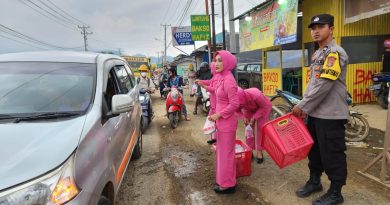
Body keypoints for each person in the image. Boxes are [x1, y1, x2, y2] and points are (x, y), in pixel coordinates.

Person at [292, 14, 349, 205]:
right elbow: (312, 84)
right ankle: (315, 181)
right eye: (313, 27)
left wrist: (303, 105)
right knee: (315, 150)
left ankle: (335, 192)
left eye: (321, 26)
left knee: (332, 152)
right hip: (315, 113)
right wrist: (304, 105)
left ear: (331, 29)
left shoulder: (335, 53)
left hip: (331, 115)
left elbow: (324, 84)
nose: (315, 31)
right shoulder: (318, 54)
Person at [197, 50, 239, 194]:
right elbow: (214, 89)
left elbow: (235, 104)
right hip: (221, 121)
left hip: (227, 122)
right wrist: (203, 84)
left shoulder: (229, 81)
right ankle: (223, 180)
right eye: (216, 60)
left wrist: (219, 114)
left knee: (226, 154)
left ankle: (228, 184)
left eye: (221, 60)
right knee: (221, 153)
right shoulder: (222, 77)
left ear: (227, 62)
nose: (217, 63)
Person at [236, 87, 272, 164]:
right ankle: (250, 150)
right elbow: (236, 110)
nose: (240, 104)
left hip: (263, 108)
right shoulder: (236, 100)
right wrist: (243, 117)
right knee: (248, 129)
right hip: (248, 109)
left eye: (242, 103)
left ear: (244, 97)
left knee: (261, 128)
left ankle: (259, 151)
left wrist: (254, 117)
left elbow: (264, 106)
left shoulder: (256, 94)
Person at [196, 62, 219, 144]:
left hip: (217, 104)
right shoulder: (215, 77)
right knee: (211, 121)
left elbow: (215, 89)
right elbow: (209, 81)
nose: (211, 69)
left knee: (215, 122)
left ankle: (215, 139)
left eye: (212, 67)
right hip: (213, 103)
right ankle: (213, 138)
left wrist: (204, 86)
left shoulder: (218, 77)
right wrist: (200, 81)